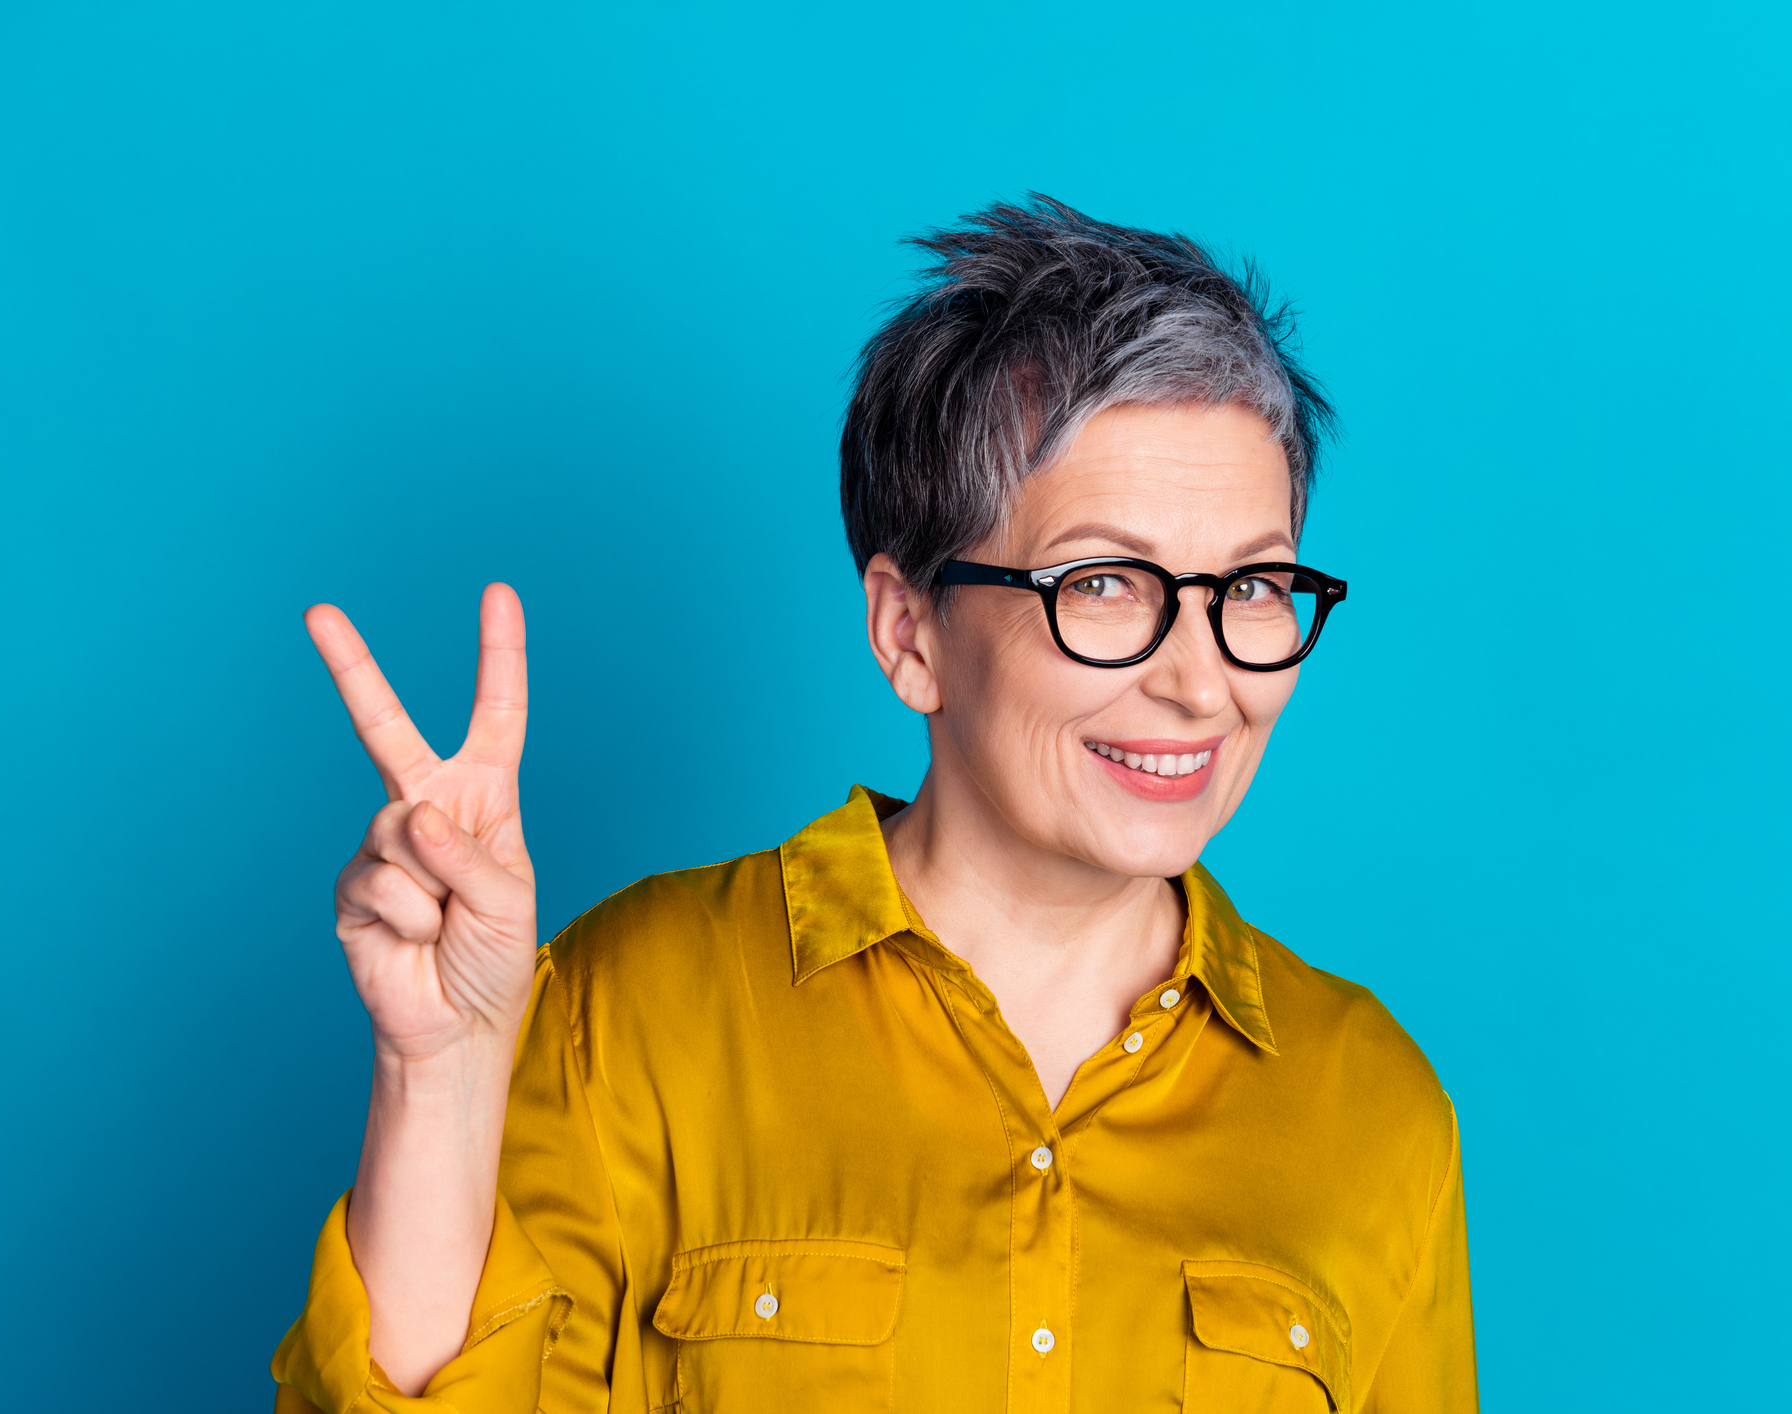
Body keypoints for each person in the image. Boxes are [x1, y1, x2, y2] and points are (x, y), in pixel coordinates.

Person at [272, 196, 1476, 1413]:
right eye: (1106, 582)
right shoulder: (627, 1008)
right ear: (909, 634)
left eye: (1255, 586)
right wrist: (442, 1074)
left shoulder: (1372, 1104)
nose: (1198, 678)